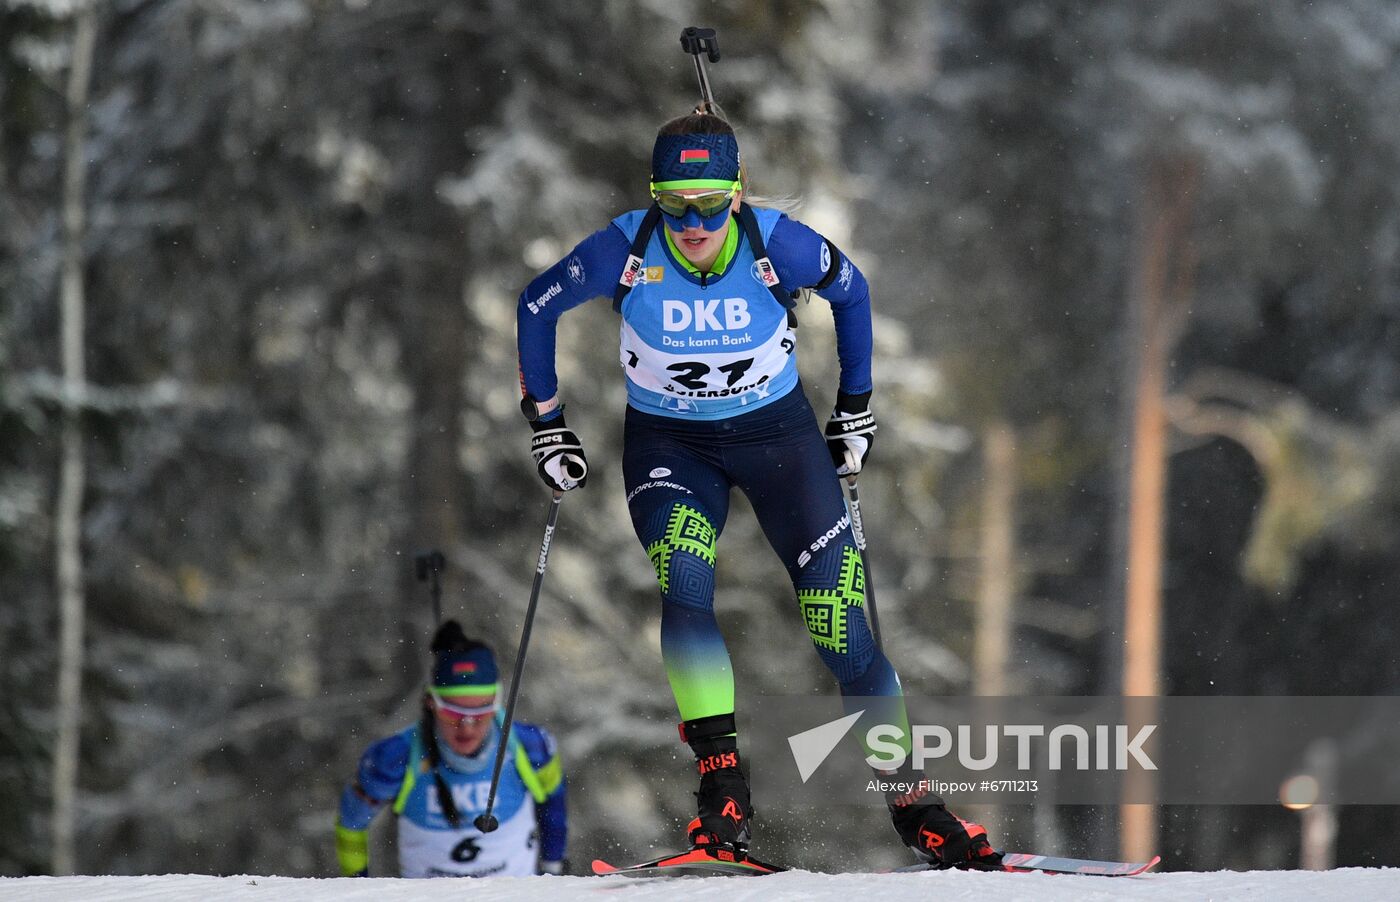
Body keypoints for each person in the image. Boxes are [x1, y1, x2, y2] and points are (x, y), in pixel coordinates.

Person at [514, 109, 999, 869]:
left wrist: (855, 409)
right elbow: (536, 304)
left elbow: (854, 292)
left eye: (709, 203)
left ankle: (917, 807)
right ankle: (721, 785)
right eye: (675, 204)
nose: (693, 222)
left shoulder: (779, 244)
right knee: (685, 581)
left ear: (737, 195)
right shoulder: (626, 247)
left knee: (840, 627)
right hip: (671, 445)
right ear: (656, 199)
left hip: (781, 445)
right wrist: (547, 425)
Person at [335, 621, 567, 877]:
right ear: (431, 704)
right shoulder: (392, 759)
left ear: (496, 705)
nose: (466, 728)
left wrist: (553, 866)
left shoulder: (532, 747)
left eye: (479, 713)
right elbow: (351, 824)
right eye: (453, 713)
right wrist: (357, 885)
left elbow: (554, 804)